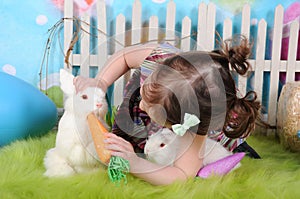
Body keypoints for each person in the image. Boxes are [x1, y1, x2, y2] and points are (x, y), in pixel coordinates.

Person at [73, 35, 260, 185]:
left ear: (177, 124)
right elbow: (125, 56)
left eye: (150, 107)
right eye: (146, 93)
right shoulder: (161, 58)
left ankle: (237, 151)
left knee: (199, 163)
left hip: (212, 131)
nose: (140, 105)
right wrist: (101, 82)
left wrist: (135, 163)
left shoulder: (196, 126)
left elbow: (182, 174)